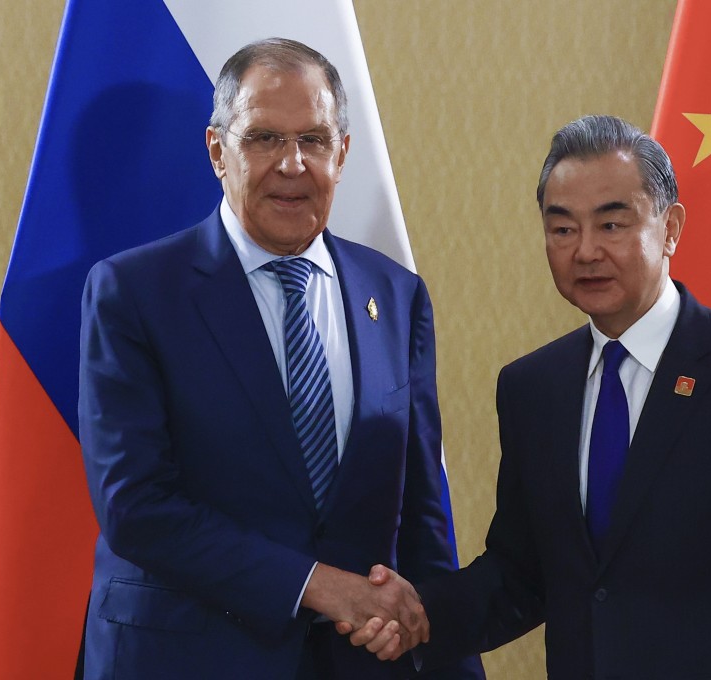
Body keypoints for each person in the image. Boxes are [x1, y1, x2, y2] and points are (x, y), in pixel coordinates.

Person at [345, 115, 711, 679]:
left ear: (671, 227)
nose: (585, 251)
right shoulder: (532, 388)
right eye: (562, 229)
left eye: (612, 225)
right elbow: (522, 572)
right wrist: (418, 615)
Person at [78, 37, 483, 679]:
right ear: (218, 150)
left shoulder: (396, 295)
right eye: (264, 138)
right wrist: (317, 585)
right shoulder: (135, 293)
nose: (292, 164)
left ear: (343, 154)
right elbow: (136, 505)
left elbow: (423, 514)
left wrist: (454, 666)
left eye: (314, 140)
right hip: (185, 658)